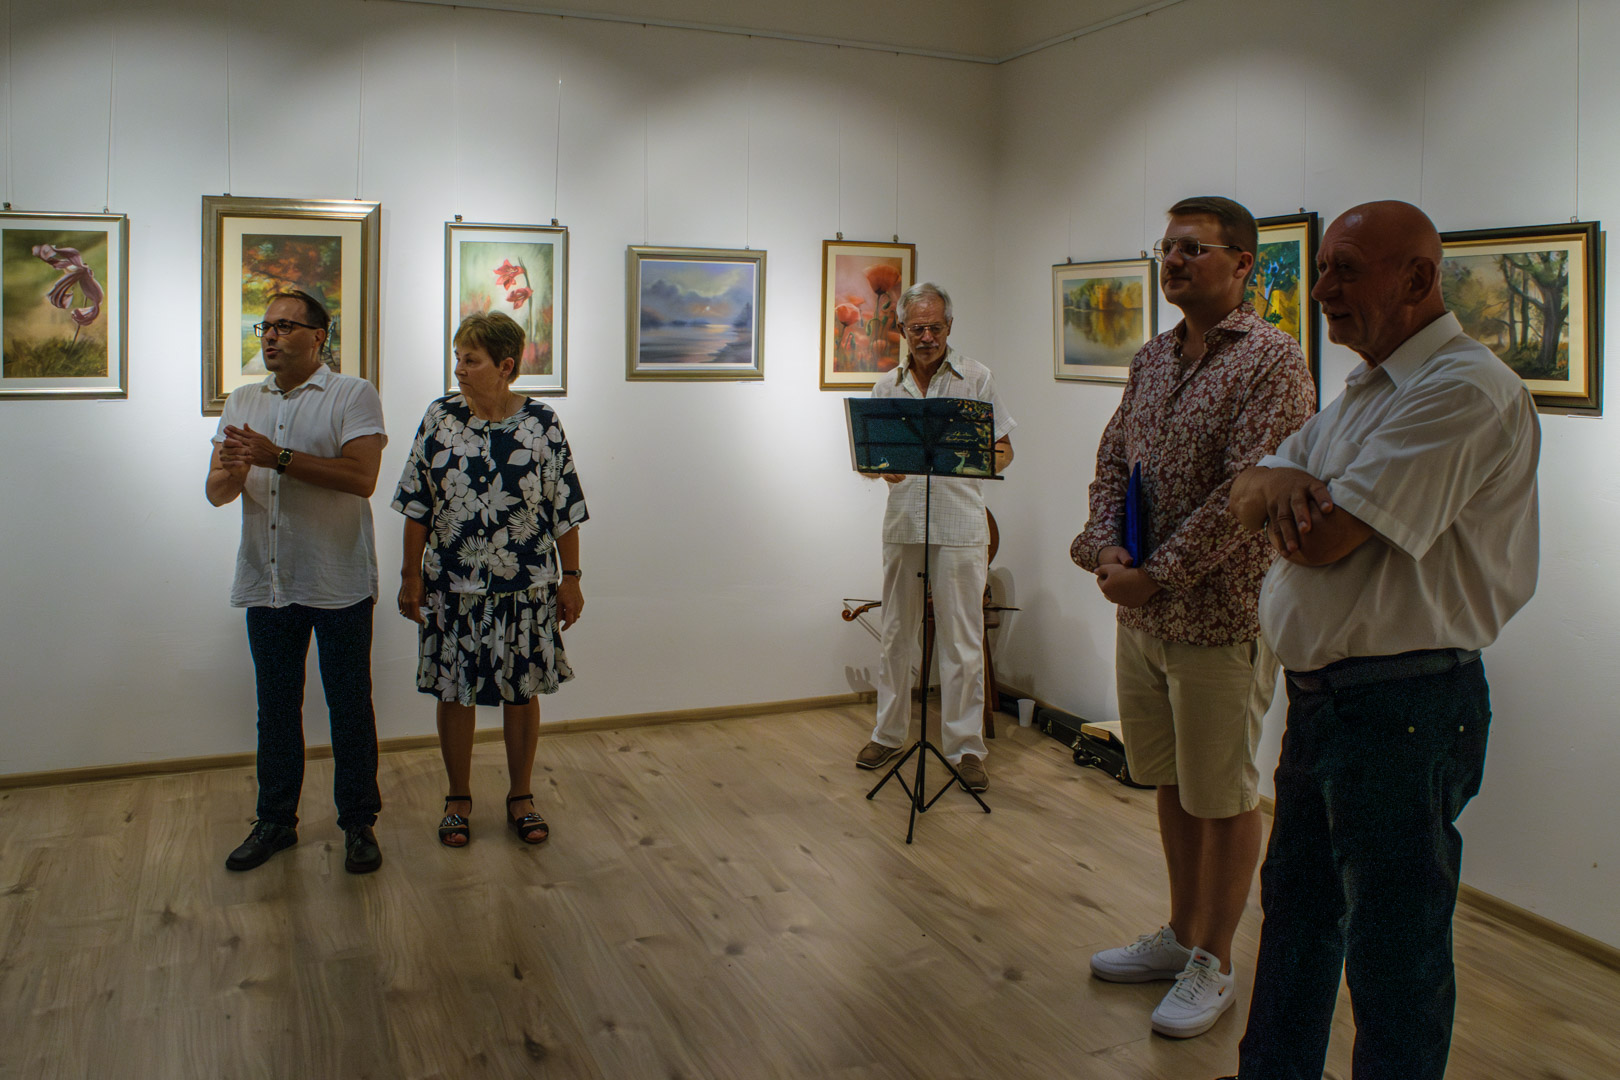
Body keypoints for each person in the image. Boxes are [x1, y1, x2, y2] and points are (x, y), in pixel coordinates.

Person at [1218, 201, 1540, 1080]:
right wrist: (1277, 484)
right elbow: (1245, 493)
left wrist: (1289, 488)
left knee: (1396, 960)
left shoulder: (1463, 391)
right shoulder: (1368, 390)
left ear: (1418, 279)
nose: (1322, 288)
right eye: (1322, 267)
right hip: (1329, 703)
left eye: (1346, 269)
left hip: (1406, 709)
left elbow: (1320, 538)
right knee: (1296, 922)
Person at [1071, 196, 1316, 1039]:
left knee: (1225, 795)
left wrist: (1158, 576)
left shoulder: (1273, 363)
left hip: (1221, 618)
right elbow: (1114, 462)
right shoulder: (1153, 358)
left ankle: (1215, 959)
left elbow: (1246, 494)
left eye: (1193, 249)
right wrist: (1107, 549)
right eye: (1167, 248)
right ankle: (1180, 934)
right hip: (1142, 619)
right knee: (1172, 782)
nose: (1173, 262)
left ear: (1243, 264)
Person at [206, 290, 387, 874]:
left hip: (337, 579)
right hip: (270, 582)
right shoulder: (243, 400)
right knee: (276, 709)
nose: (270, 336)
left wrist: (276, 456)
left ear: (318, 337)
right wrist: (234, 470)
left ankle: (358, 823)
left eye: (285, 326)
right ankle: (276, 821)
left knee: (349, 706)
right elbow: (216, 492)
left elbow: (362, 478)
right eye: (265, 326)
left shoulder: (352, 394)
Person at [393, 311, 588, 848]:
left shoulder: (542, 423)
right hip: (452, 585)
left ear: (505, 366)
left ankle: (521, 796)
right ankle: (458, 798)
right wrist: (410, 575)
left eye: (471, 360)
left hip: (525, 586)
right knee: (454, 691)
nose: (459, 369)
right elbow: (416, 503)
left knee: (521, 692)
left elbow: (564, 508)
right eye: (457, 358)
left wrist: (571, 579)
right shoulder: (439, 417)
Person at [855, 282, 1014, 793]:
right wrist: (880, 468)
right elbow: (869, 459)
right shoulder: (886, 386)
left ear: (950, 326)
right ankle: (888, 734)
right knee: (896, 634)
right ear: (901, 329)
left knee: (962, 641)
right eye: (918, 328)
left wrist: (978, 457)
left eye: (936, 327)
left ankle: (966, 748)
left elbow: (1005, 449)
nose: (928, 337)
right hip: (904, 523)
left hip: (961, 524)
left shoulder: (977, 377)